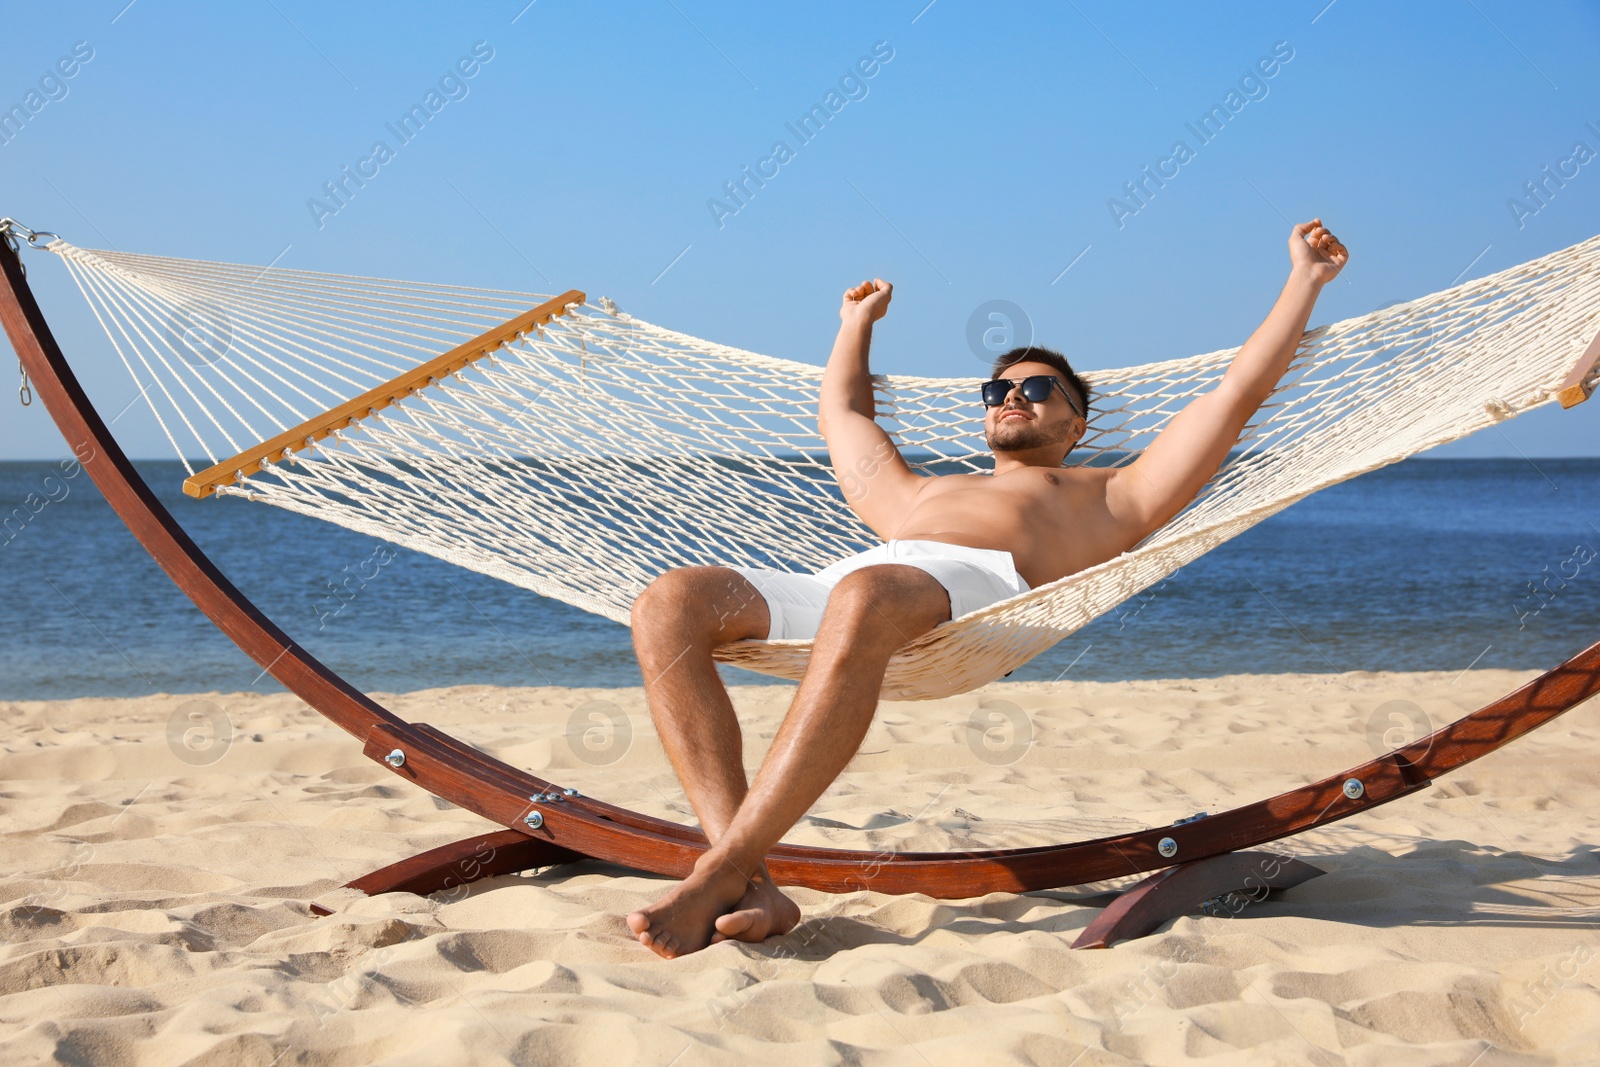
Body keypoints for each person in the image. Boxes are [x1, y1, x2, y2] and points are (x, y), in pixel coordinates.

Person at [625, 219, 1349, 958]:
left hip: (978, 594)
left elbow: (1234, 394)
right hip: (859, 582)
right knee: (669, 601)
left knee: (867, 592)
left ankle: (717, 870)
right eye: (998, 387)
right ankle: (745, 875)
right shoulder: (912, 492)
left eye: (1038, 388)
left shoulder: (1111, 494)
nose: (1012, 395)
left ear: (1077, 422)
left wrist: (1304, 281)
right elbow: (842, 415)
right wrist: (854, 325)